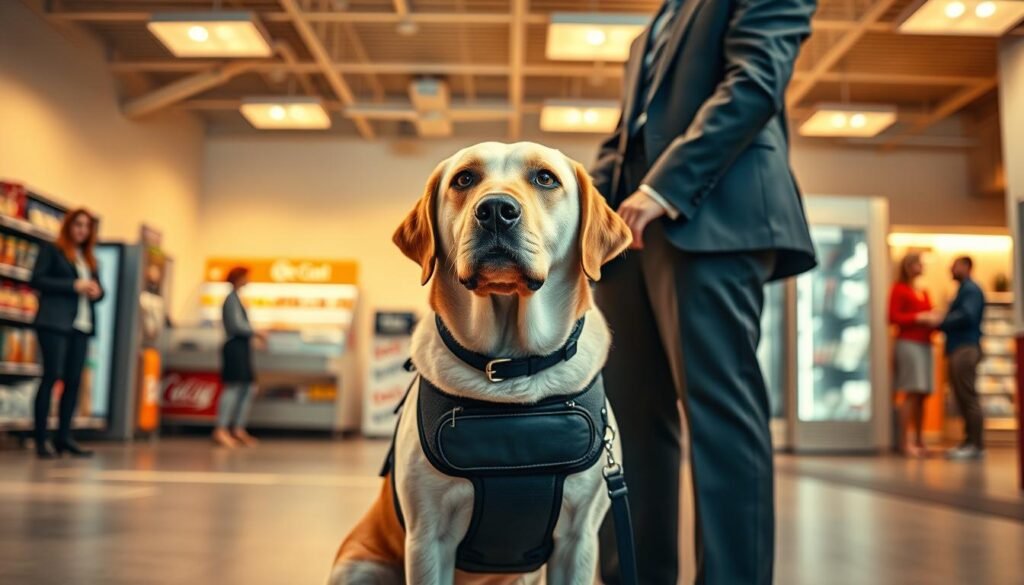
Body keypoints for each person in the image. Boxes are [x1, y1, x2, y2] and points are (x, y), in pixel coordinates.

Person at [589, 0, 818, 583]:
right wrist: (581, 211)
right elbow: (627, 132)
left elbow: (757, 81)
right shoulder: (653, 28)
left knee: (719, 417)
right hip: (629, 235)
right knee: (631, 422)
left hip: (714, 213)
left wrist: (664, 186)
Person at [30, 208, 104, 459]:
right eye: (78, 225)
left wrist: (97, 291)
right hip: (54, 323)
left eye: (87, 226)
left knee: (73, 382)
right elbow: (37, 280)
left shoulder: (89, 259)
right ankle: (41, 439)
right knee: (51, 377)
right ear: (69, 226)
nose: (82, 230)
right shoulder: (52, 250)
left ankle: (64, 437)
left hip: (80, 326)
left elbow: (99, 292)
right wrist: (73, 285)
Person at [889, 253, 939, 457]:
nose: (920, 267)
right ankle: (904, 442)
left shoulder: (924, 292)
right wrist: (919, 317)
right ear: (907, 266)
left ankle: (920, 439)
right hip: (908, 344)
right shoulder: (899, 289)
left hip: (926, 344)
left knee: (923, 394)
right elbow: (893, 317)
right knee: (911, 391)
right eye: (916, 263)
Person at [939, 256, 986, 460]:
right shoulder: (965, 289)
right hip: (960, 347)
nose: (951, 268)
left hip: (965, 348)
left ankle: (975, 444)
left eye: (955, 265)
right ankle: (970, 441)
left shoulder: (971, 290)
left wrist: (942, 320)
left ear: (966, 267)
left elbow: (967, 315)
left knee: (968, 396)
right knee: (963, 396)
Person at [214, 267, 265, 448]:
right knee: (234, 387)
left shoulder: (237, 299)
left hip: (242, 347)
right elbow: (236, 325)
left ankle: (237, 428)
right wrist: (256, 332)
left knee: (247, 387)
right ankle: (221, 429)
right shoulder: (231, 299)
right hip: (234, 347)